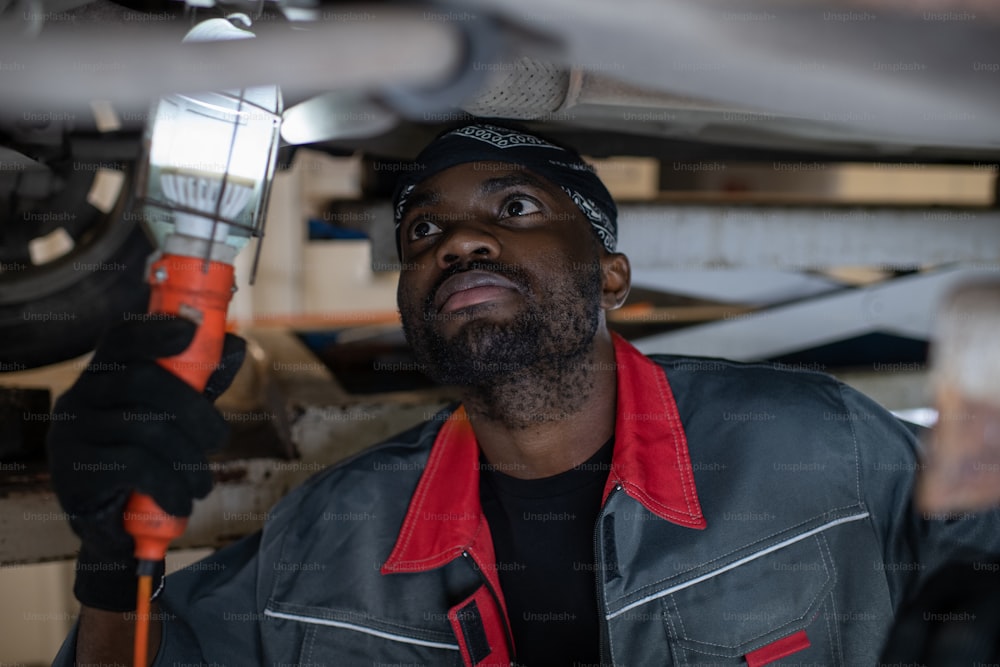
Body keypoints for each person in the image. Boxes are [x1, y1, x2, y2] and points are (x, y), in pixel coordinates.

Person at [49, 123, 1000, 666]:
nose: (455, 242)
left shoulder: (817, 444)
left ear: (612, 276)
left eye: (513, 208)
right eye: (422, 232)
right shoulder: (320, 543)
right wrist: (107, 565)